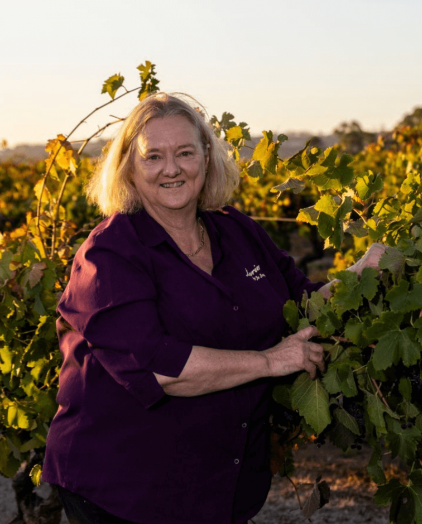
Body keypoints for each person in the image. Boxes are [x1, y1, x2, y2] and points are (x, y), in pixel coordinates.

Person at [41, 92, 384, 524]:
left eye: (185, 153)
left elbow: (301, 301)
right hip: (125, 489)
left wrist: (362, 271)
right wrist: (269, 361)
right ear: (128, 166)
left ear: (206, 157)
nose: (172, 168)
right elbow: (159, 369)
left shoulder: (234, 229)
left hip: (217, 484)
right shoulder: (109, 254)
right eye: (153, 157)